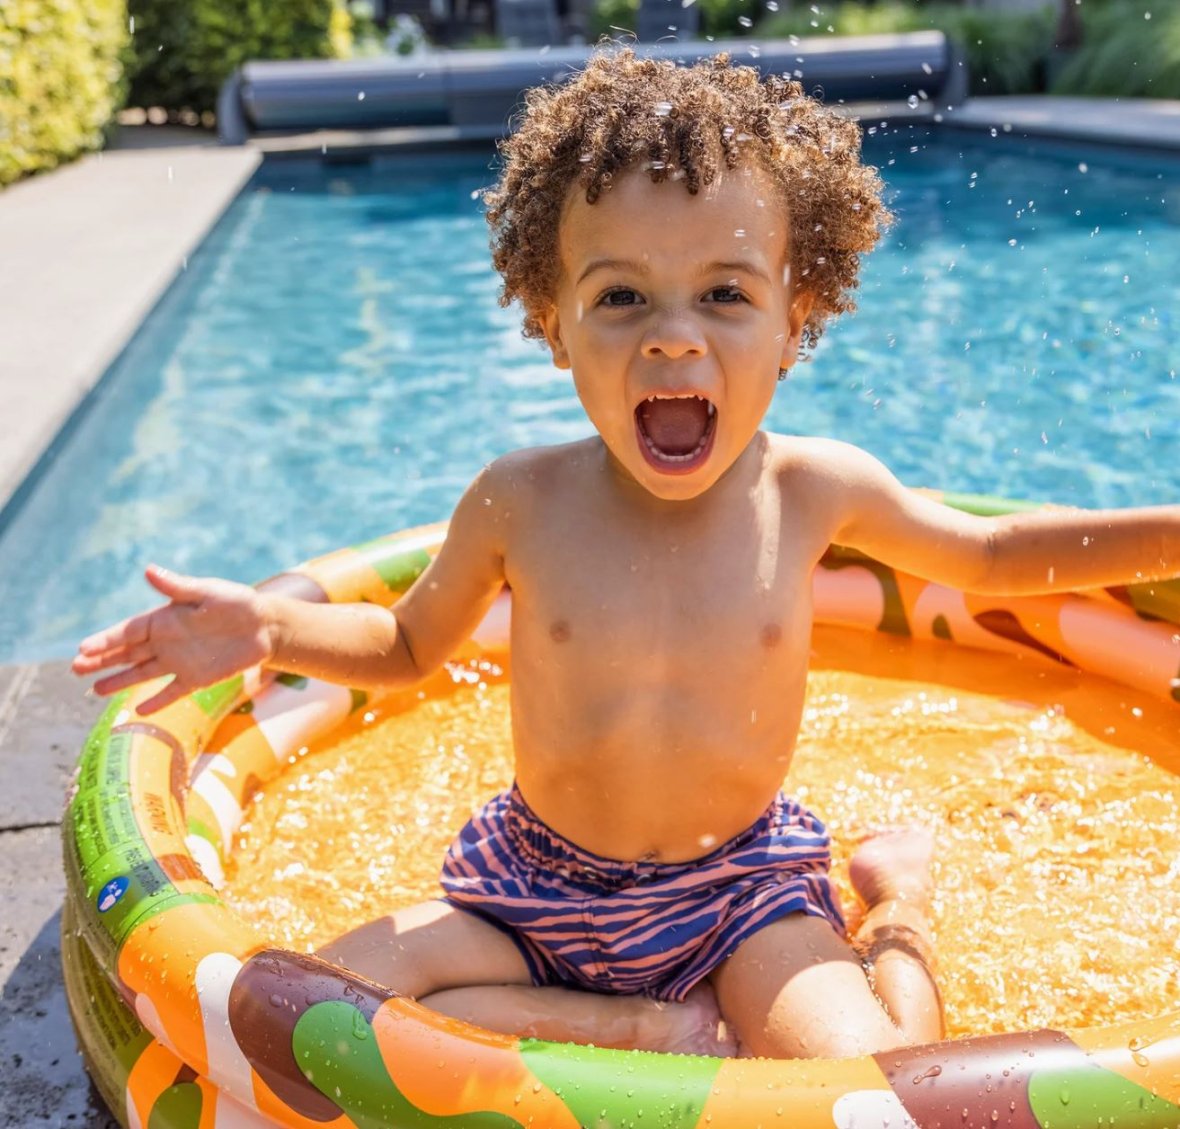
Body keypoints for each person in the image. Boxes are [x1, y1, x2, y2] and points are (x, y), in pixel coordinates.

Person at [73, 50, 1179, 1060]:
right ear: (553, 322)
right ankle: (641, 1026)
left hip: (740, 891)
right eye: (620, 297)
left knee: (868, 1079)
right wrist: (269, 629)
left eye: (725, 294)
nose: (672, 334)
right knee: (312, 999)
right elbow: (406, 642)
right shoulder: (522, 499)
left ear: (796, 318)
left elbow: (986, 556)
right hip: (529, 889)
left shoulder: (813, 488)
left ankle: (896, 907)